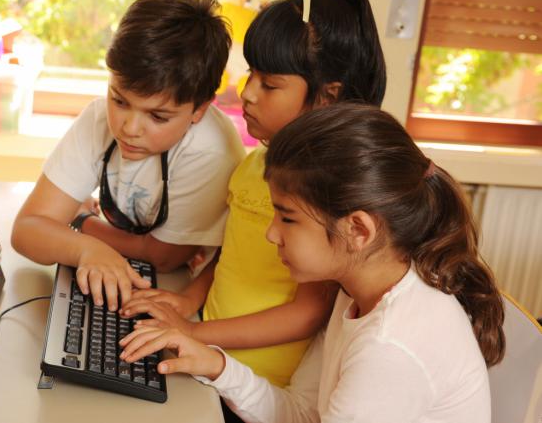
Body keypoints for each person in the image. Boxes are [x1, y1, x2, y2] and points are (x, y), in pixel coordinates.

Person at [120, 103, 506, 423]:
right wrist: (215, 366)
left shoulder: (388, 347)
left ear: (357, 229)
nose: (272, 234)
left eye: (287, 217)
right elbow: (304, 414)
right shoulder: (356, 292)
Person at [120, 0, 387, 390]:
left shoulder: (323, 196)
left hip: (255, 385)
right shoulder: (255, 164)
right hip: (208, 354)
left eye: (270, 84)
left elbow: (307, 314)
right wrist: (188, 301)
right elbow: (232, 255)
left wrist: (194, 333)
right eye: (251, 76)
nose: (247, 94)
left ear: (328, 96)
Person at [11, 0, 245, 311]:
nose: (128, 128)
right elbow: (26, 229)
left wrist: (81, 222)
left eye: (158, 116)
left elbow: (164, 257)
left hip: (181, 294)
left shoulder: (211, 152)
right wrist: (86, 250)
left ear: (199, 110)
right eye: (119, 100)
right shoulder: (98, 119)